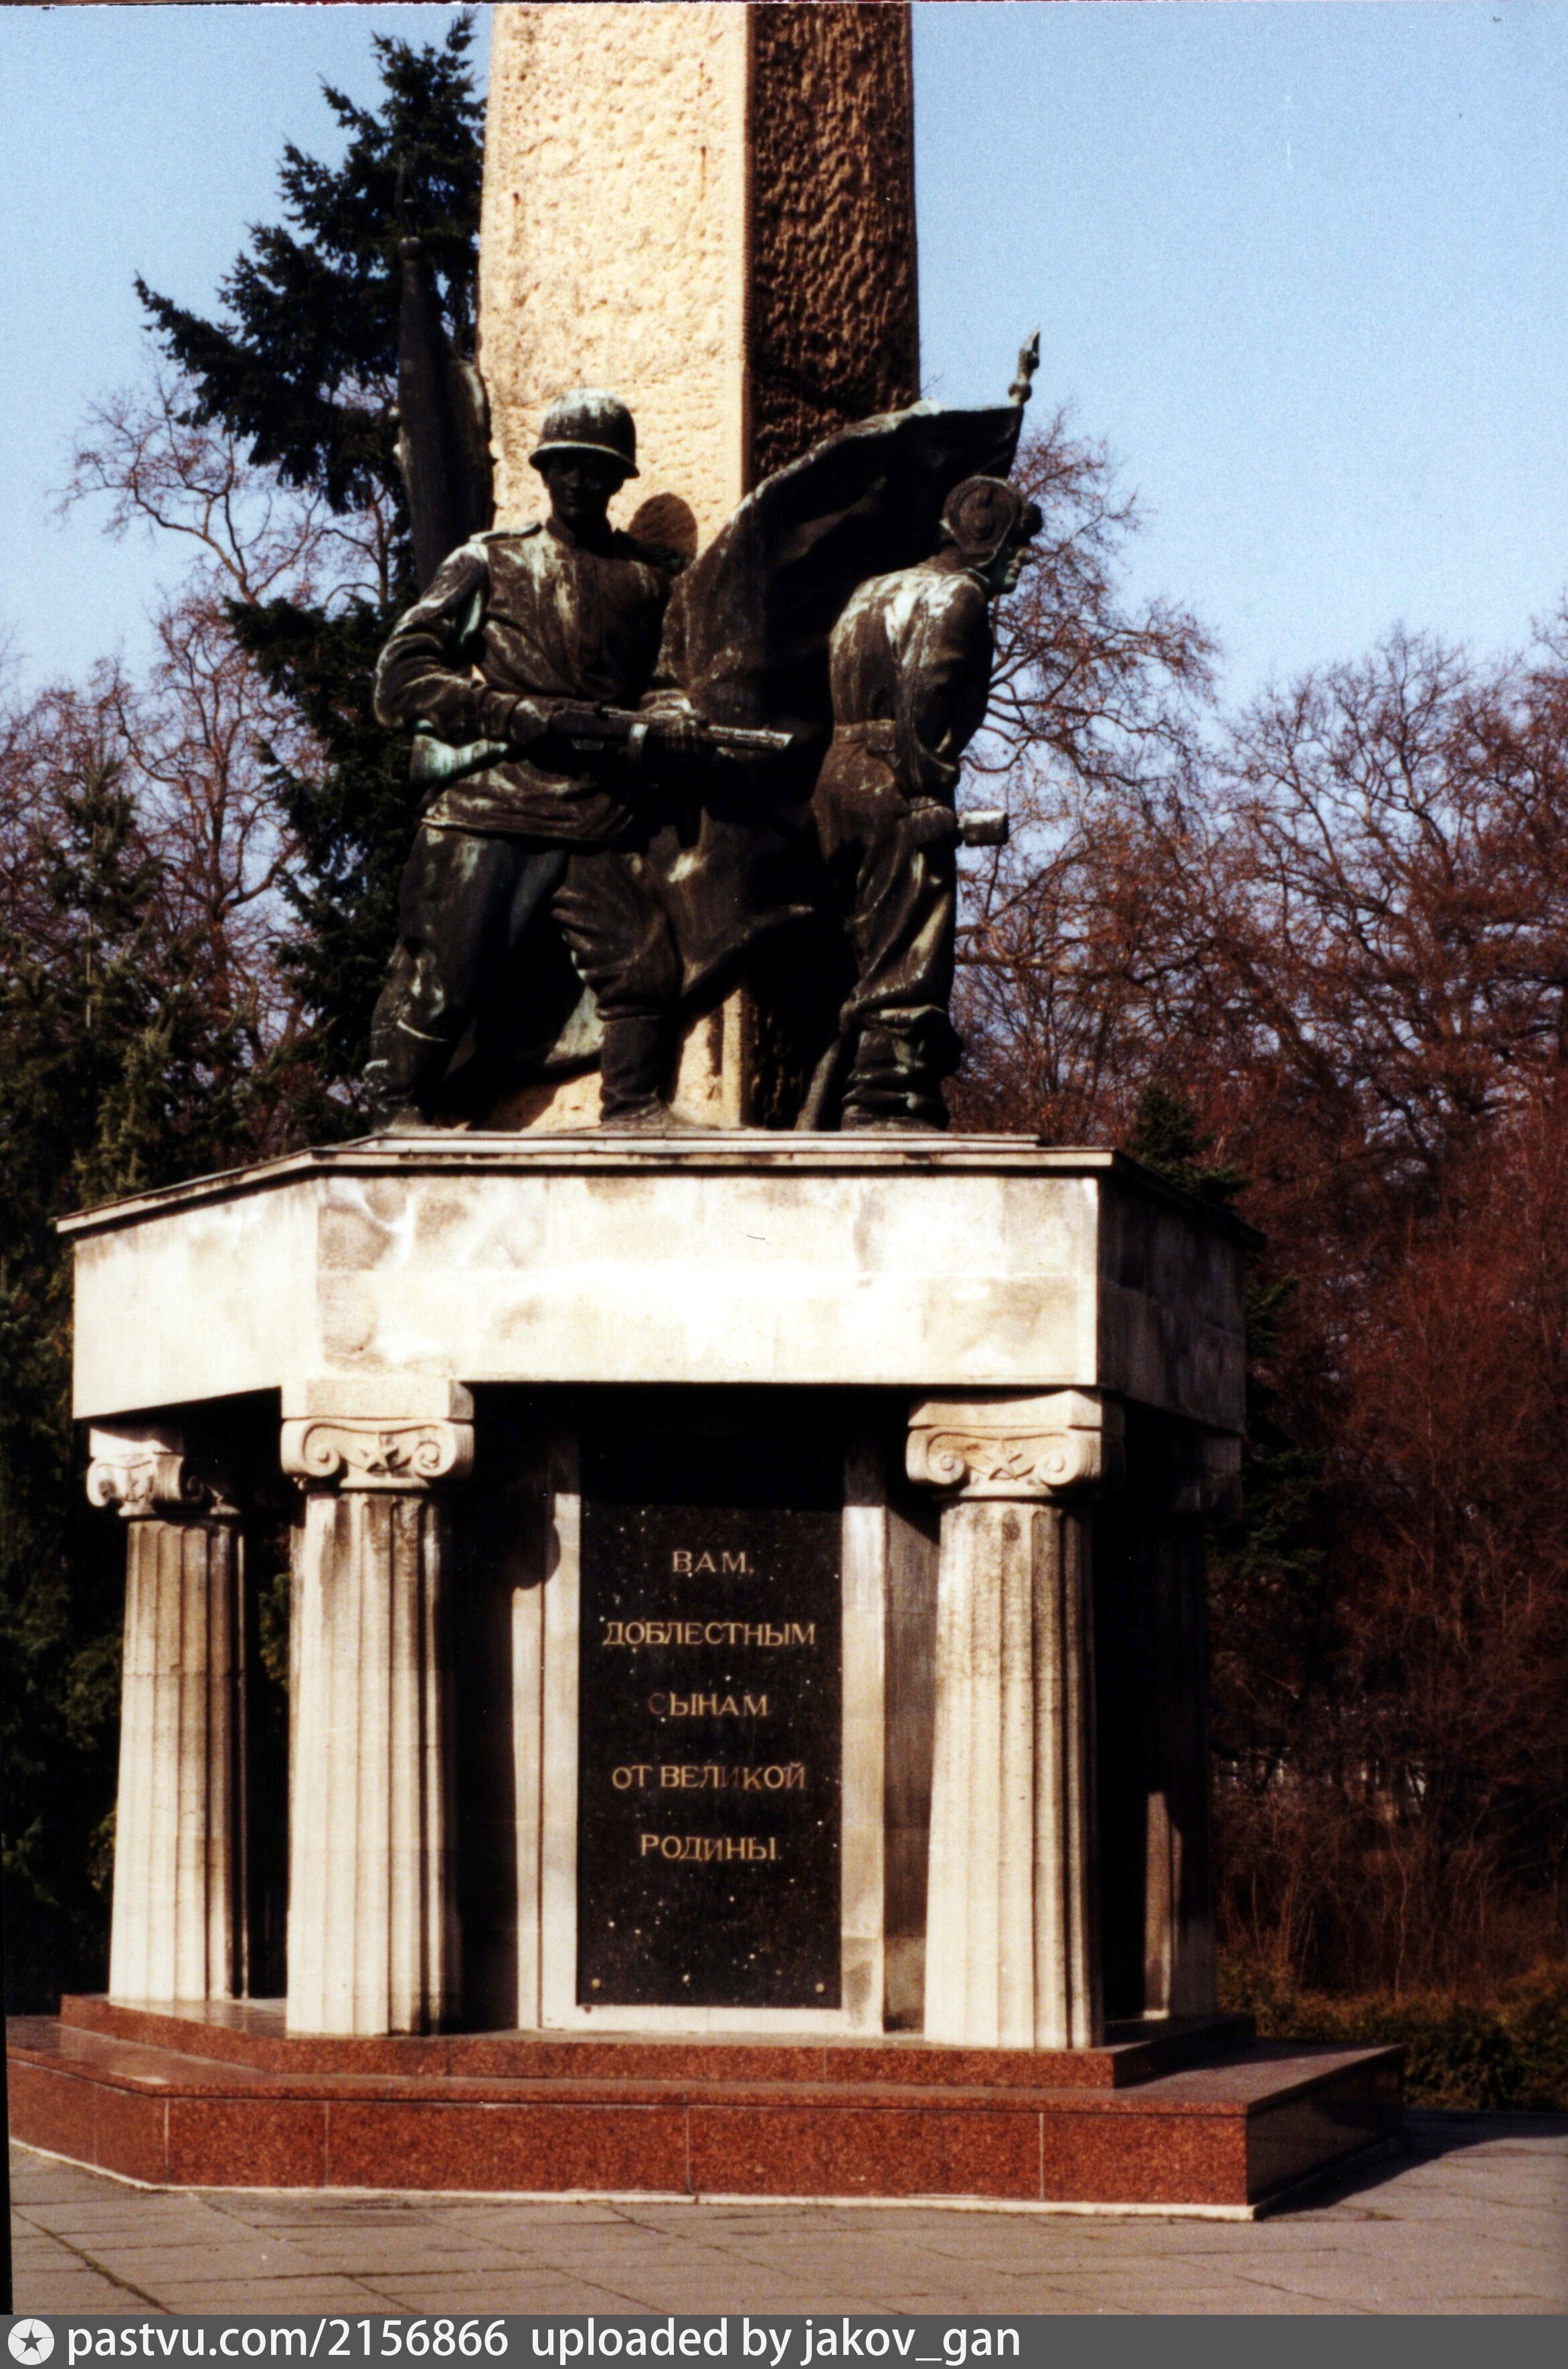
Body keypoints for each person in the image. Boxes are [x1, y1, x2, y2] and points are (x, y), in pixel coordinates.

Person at [366, 388, 703, 1129]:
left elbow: (665, 681)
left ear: (619, 480)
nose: (580, 481)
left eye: (597, 469)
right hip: (494, 805)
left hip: (599, 815)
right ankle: (396, 1108)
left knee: (644, 968)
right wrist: (500, 713)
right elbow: (400, 676)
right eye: (567, 466)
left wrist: (670, 719)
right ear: (545, 471)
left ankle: (634, 1108)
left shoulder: (651, 579)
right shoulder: (489, 560)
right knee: (446, 975)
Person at [810, 475, 1041, 1129]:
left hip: (839, 774)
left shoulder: (872, 589)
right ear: (983, 536)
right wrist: (923, 791)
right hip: (897, 779)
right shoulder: (958, 594)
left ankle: (843, 1092)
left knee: (862, 940)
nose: (1022, 559)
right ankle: (887, 1100)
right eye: (1015, 544)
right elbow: (925, 688)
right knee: (911, 939)